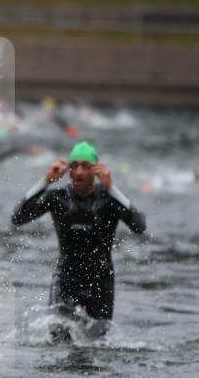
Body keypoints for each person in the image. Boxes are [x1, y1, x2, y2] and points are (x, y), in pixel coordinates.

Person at [12, 141, 146, 340]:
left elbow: (139, 226)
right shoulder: (58, 197)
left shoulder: (109, 200)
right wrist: (45, 181)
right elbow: (18, 218)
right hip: (66, 278)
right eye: (74, 166)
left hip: (100, 280)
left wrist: (112, 189)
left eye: (86, 166)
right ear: (68, 170)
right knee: (59, 338)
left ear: (96, 171)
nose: (79, 171)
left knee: (98, 343)